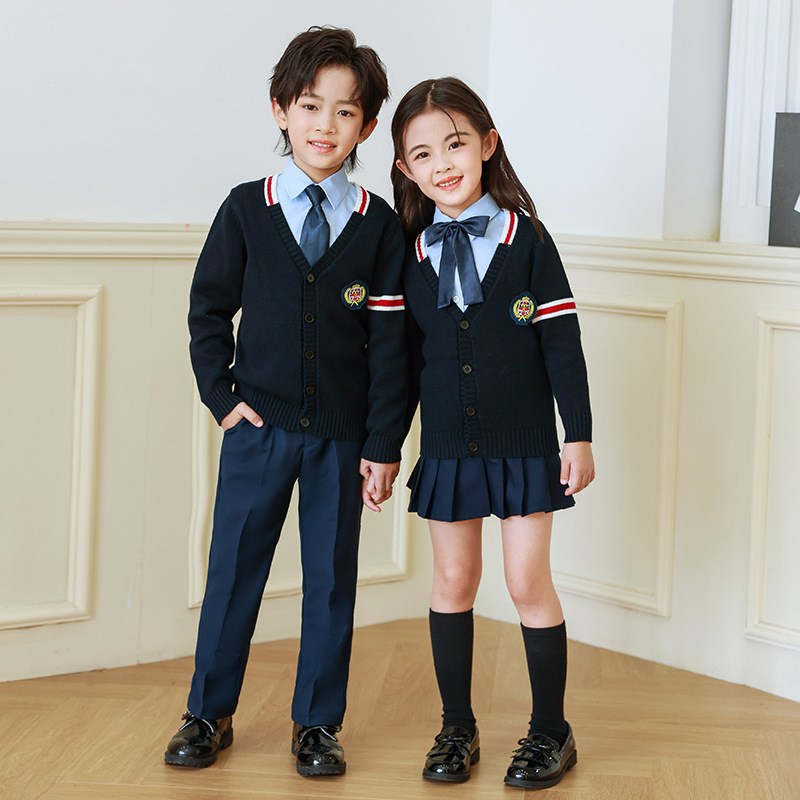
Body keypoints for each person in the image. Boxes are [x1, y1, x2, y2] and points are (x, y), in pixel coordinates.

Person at [164, 27, 407, 778]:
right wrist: (223, 400)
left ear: (367, 126)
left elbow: (395, 350)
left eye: (344, 113)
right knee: (233, 571)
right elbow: (208, 313)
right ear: (279, 109)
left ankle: (318, 725)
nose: (324, 126)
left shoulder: (380, 228)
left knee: (332, 581)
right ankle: (209, 712)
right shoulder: (245, 209)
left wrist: (382, 443)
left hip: (341, 438)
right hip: (257, 430)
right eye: (310, 106)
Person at [391, 77, 595, 790]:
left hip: (525, 444)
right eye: (423, 154)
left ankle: (550, 732)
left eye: (454, 144)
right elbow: (400, 368)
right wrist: (386, 450)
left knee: (525, 579)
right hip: (447, 448)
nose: (442, 164)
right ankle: (458, 727)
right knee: (453, 579)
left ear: (486, 143)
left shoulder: (526, 240)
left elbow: (561, 343)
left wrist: (580, 435)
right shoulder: (409, 256)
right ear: (405, 170)